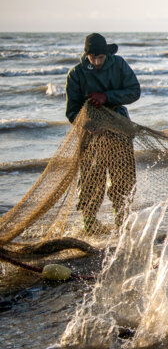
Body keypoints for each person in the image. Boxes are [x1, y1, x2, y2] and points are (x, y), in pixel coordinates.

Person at [65, 32, 141, 233]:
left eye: (101, 58)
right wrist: (89, 126)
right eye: (93, 58)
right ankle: (89, 223)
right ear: (86, 55)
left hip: (119, 127)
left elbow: (134, 91)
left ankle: (121, 221)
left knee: (123, 175)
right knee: (91, 177)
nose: (97, 62)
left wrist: (106, 97)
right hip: (91, 133)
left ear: (107, 54)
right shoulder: (76, 74)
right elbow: (72, 111)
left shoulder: (118, 64)